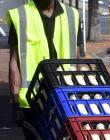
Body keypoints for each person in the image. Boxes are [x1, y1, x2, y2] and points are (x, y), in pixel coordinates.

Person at [6, 0, 84, 139]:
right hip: (33, 99)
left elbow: (77, 58)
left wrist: (80, 92)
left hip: (65, 95)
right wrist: (15, 101)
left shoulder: (72, 15)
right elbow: (14, 61)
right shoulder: (20, 15)